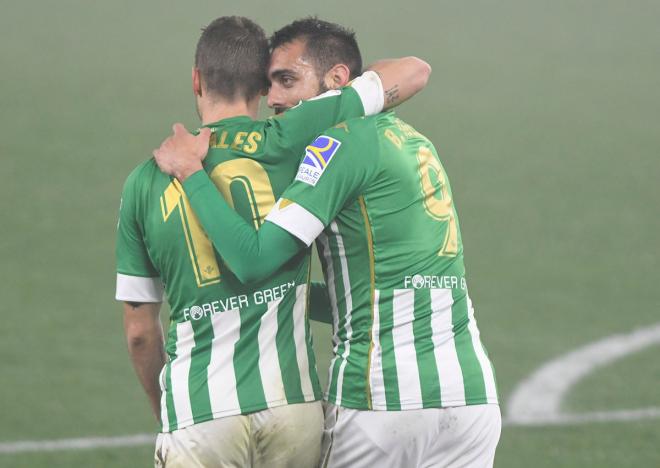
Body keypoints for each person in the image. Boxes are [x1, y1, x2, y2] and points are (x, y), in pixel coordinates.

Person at [153, 17, 500, 468]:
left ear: (337, 81)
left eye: (287, 79)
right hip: (469, 397)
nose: (274, 98)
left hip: (379, 398)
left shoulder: (334, 148)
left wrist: (192, 174)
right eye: (269, 83)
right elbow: (377, 289)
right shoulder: (415, 142)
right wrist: (289, 300)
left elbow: (254, 259)